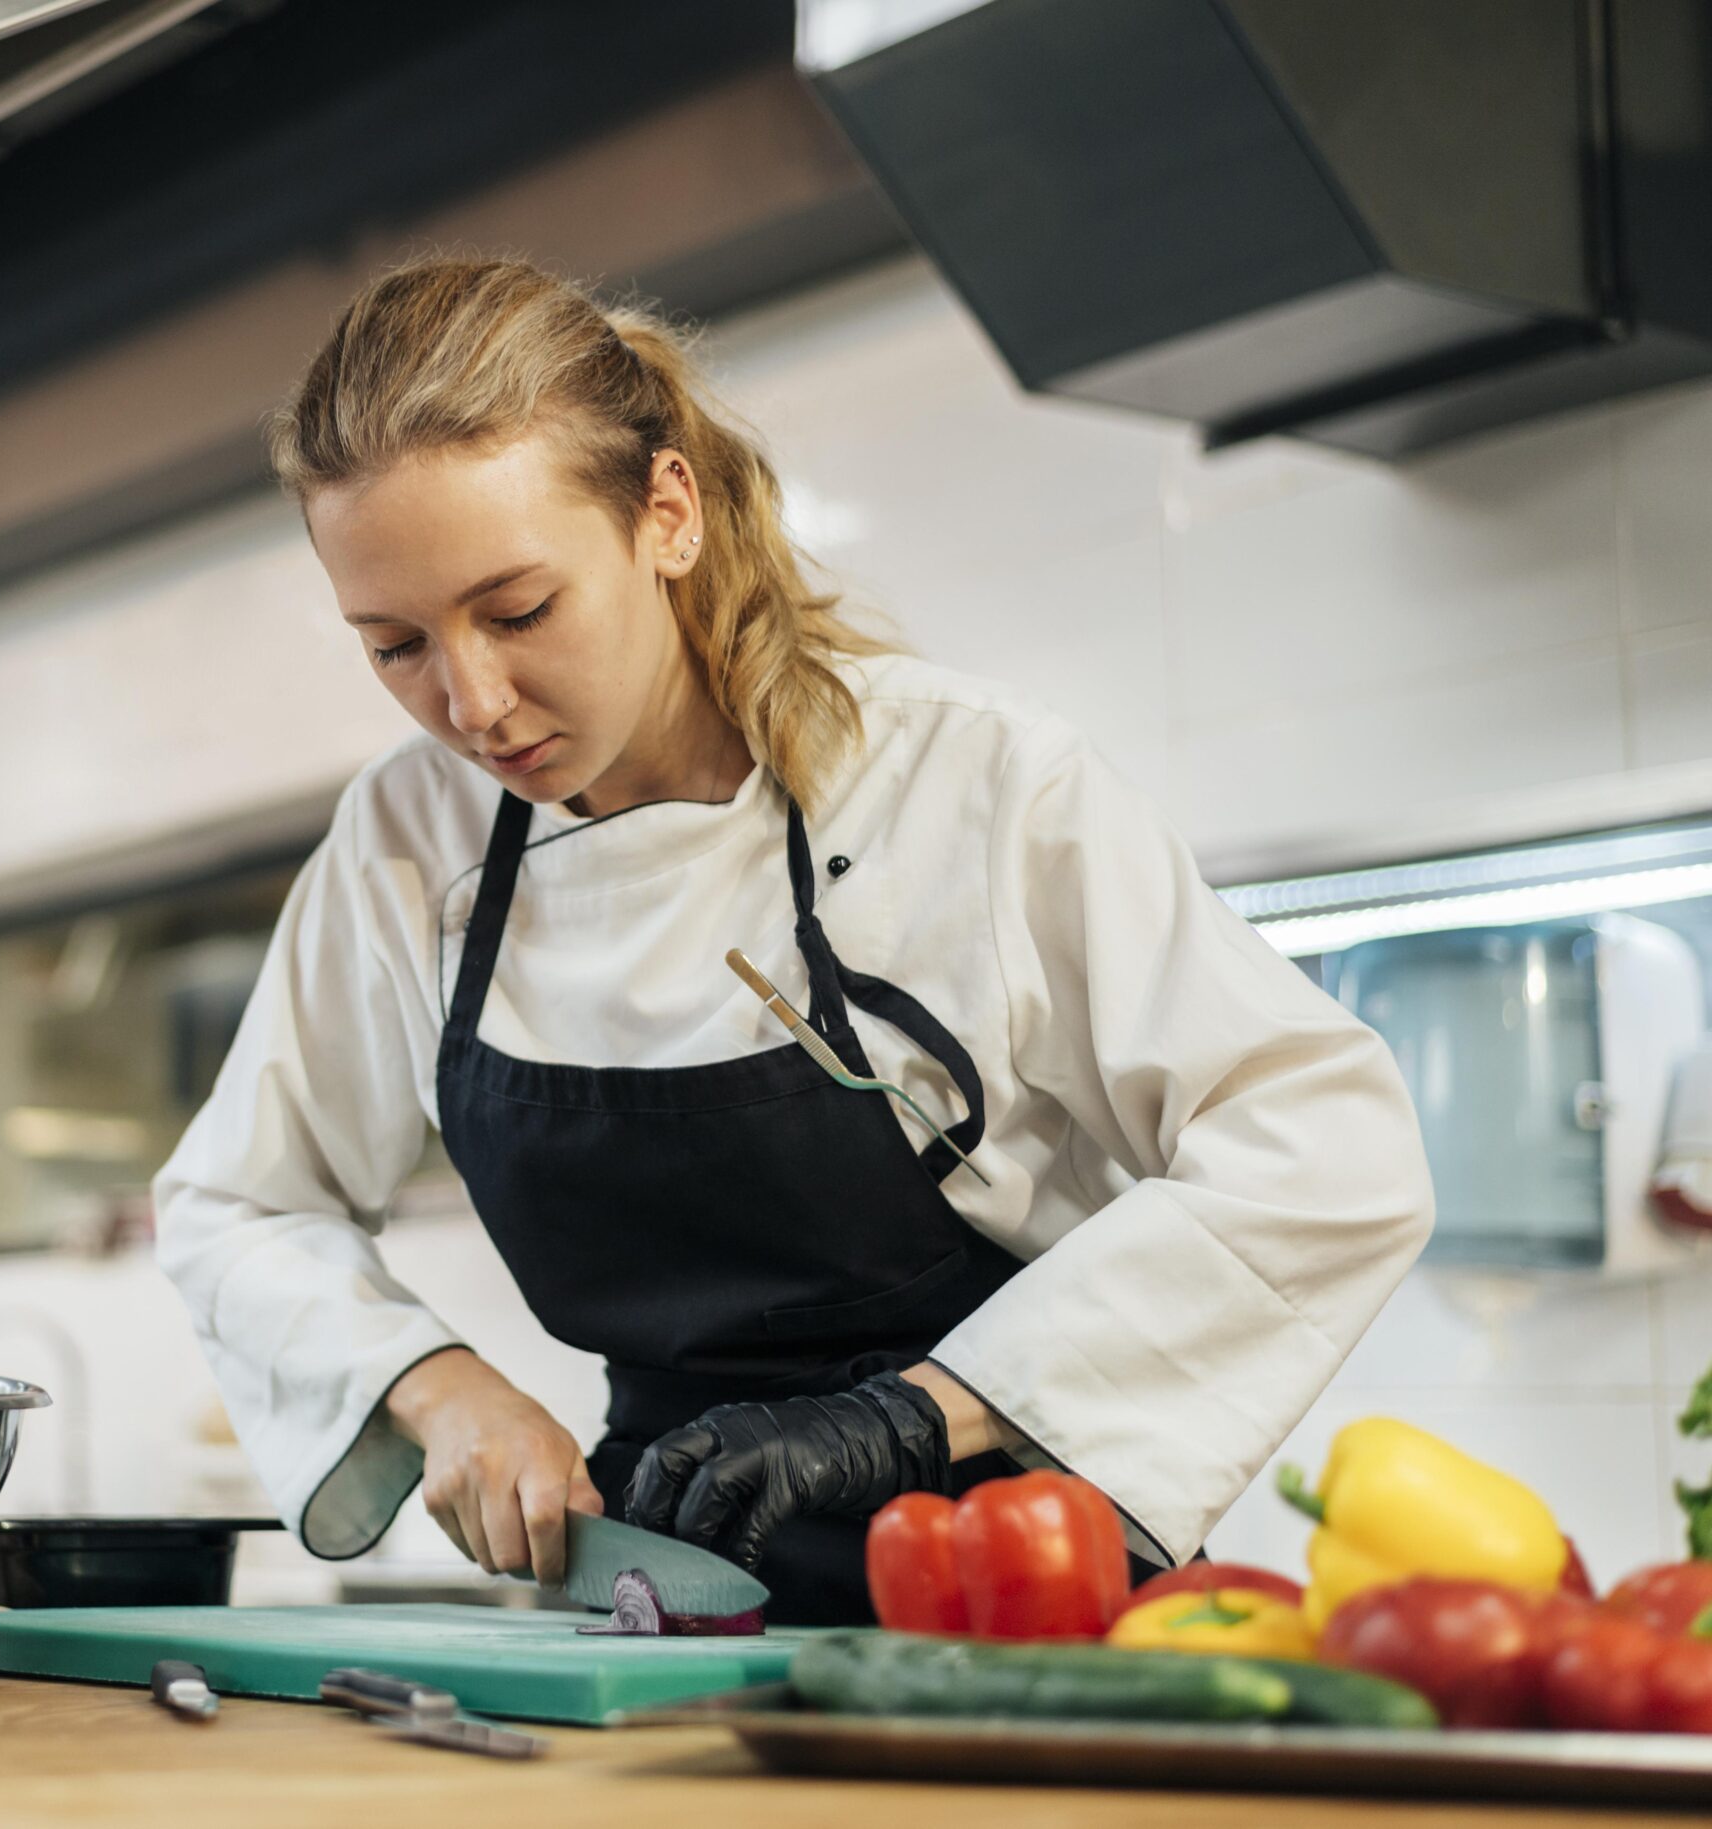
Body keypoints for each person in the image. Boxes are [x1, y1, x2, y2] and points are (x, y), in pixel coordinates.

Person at [152, 256, 1433, 1624]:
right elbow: (239, 1202)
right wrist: (437, 1384)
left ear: (667, 513)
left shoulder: (972, 783)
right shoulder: (408, 840)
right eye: (394, 644)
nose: (472, 699)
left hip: (1011, 1596)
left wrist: (908, 1420)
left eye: (520, 611)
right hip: (658, 1609)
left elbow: (1326, 1147)